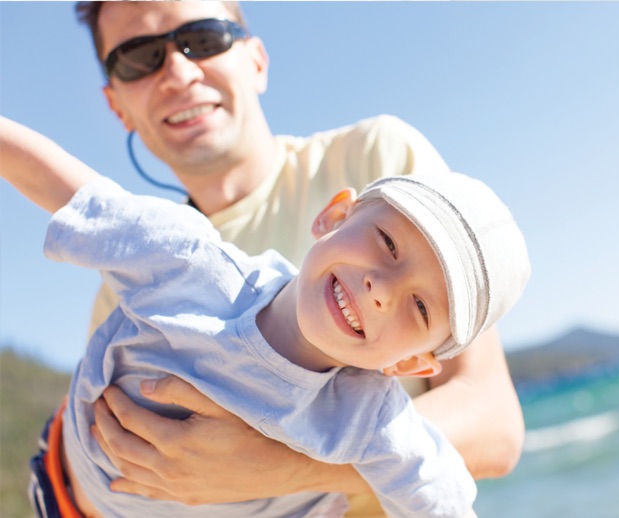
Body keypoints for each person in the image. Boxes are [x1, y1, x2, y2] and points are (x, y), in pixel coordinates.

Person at [62, 1, 527, 515]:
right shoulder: (126, 282)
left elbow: (495, 425)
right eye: (139, 56)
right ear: (117, 104)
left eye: (205, 38)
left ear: (256, 60)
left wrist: (282, 466)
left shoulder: (377, 164)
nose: (178, 70)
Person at [2, 116, 530, 517]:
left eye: (419, 307)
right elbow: (70, 190)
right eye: (387, 242)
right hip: (65, 491)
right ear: (335, 215)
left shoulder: (372, 420)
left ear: (412, 363)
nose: (380, 288)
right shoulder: (190, 261)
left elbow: (441, 494)